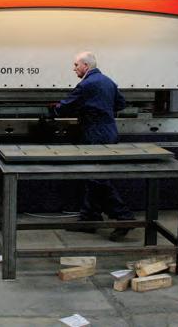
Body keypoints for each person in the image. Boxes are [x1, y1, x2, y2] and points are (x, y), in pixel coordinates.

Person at [51, 51, 135, 241]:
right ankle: (89, 219)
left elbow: (65, 107)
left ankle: (124, 217)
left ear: (86, 66)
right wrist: (101, 109)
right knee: (94, 175)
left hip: (94, 135)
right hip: (109, 132)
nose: (74, 69)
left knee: (97, 178)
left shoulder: (86, 84)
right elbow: (121, 104)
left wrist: (53, 109)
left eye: (76, 65)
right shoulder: (108, 81)